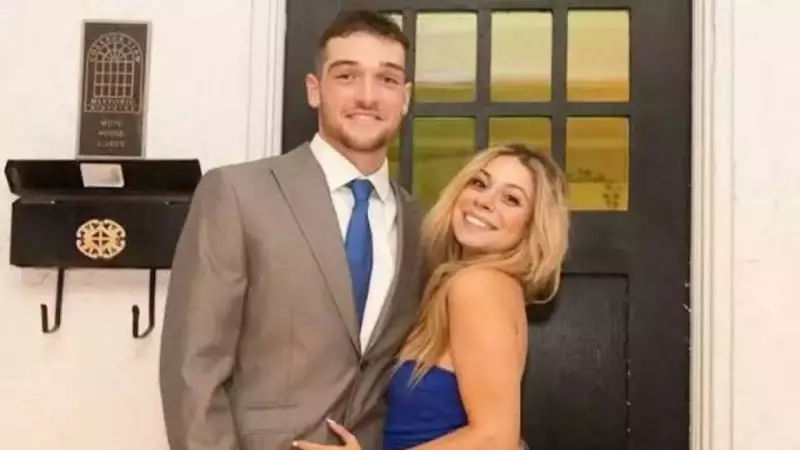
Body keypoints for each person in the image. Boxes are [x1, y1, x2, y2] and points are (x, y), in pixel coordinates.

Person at [158, 9, 425, 450]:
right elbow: (193, 370)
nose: (368, 95)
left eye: (387, 79)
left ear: (406, 97)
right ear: (314, 89)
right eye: (347, 76)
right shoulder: (237, 194)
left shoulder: (419, 223)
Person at [293, 143, 570, 450]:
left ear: (532, 227)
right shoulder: (485, 285)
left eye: (511, 199)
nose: (484, 201)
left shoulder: (477, 286)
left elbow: (495, 438)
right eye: (479, 183)